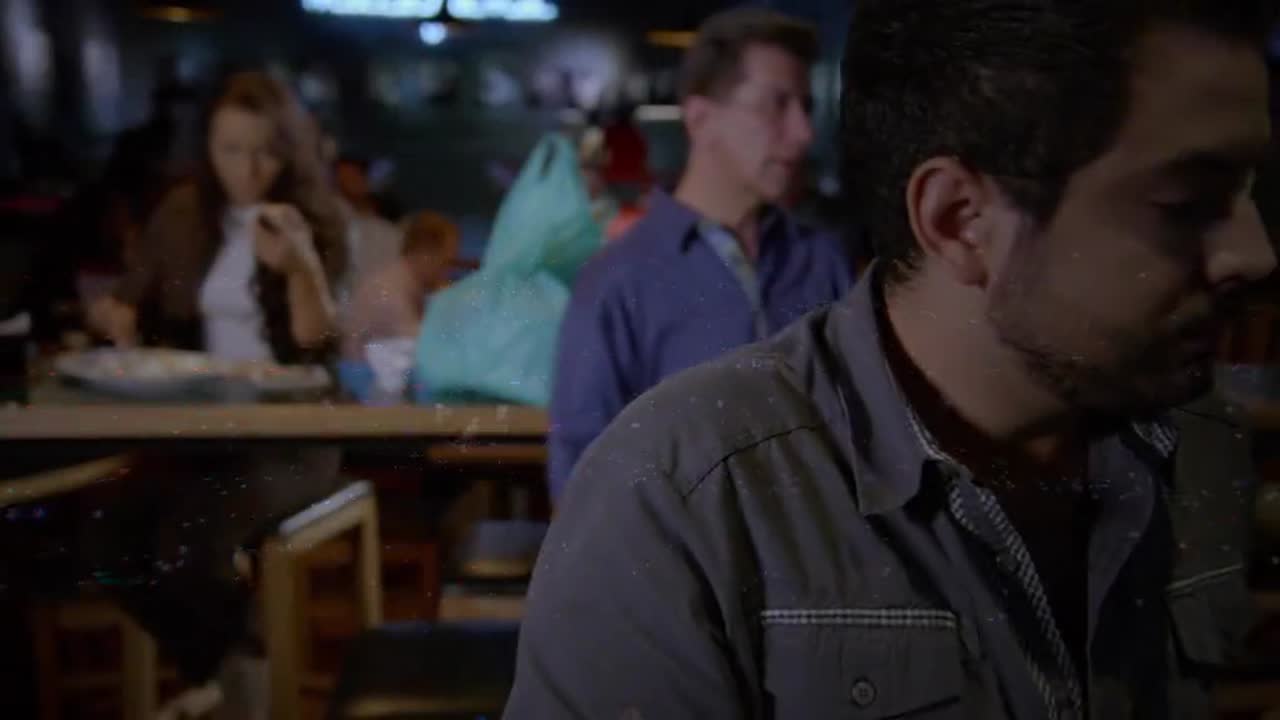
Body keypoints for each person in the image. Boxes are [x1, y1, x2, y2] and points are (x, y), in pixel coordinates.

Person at [507, 0, 1277, 717]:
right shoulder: (671, 475)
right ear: (957, 219)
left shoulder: (1199, 446)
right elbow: (589, 459)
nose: (1257, 253)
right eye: (1182, 205)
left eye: (1250, 190)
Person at [79, 70, 348, 717]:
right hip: (199, 432)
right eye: (231, 150)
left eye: (265, 152)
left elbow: (316, 343)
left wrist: (301, 264)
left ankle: (232, 686)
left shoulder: (315, 217)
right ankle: (221, 674)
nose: (248, 170)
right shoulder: (183, 213)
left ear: (289, 152)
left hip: (294, 436)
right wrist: (115, 317)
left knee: (190, 542)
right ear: (208, 148)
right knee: (105, 541)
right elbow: (126, 301)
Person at [547, 8, 855, 500]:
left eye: (805, 106)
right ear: (700, 119)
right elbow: (583, 480)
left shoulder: (823, 261)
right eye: (776, 105)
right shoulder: (618, 281)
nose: (803, 132)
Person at [341, 210, 461, 360]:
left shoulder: (402, 282)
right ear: (426, 252)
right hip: (362, 370)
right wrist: (448, 304)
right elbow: (427, 352)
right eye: (445, 263)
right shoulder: (391, 293)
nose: (447, 272)